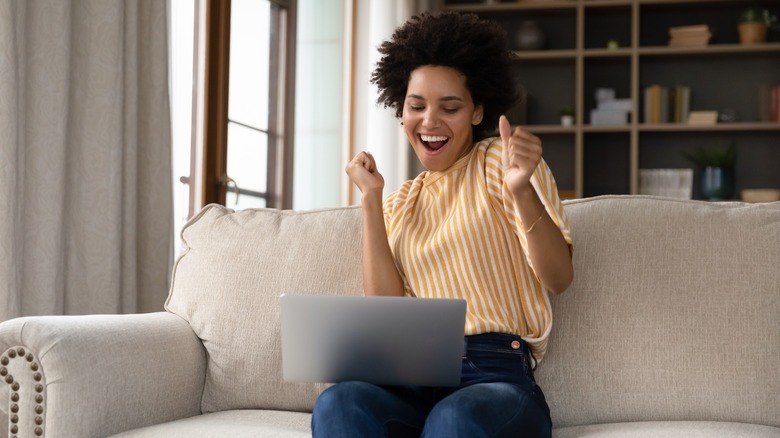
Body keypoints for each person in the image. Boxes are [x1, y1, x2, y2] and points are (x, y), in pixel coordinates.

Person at [312, 10, 573, 438]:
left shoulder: (500, 164)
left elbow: (559, 278)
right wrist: (372, 201)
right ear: (402, 111)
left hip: (494, 376)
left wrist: (523, 190)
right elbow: (386, 312)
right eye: (416, 106)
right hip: (411, 376)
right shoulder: (400, 201)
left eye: (449, 107)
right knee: (339, 402)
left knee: (452, 419)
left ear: (476, 112)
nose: (429, 121)